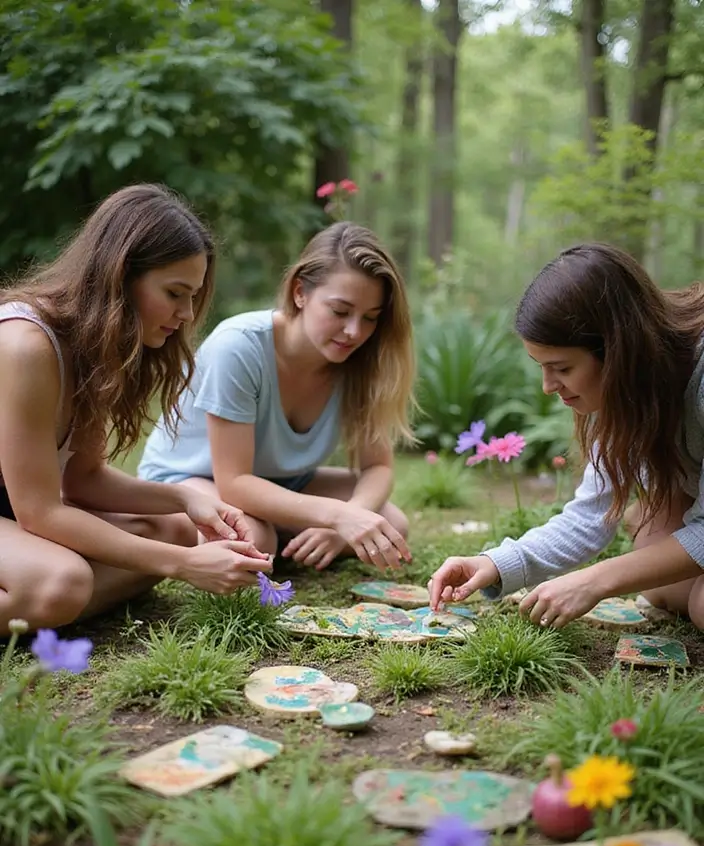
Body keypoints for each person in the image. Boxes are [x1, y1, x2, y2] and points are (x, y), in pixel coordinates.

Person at [0, 183, 272, 636]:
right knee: (62, 581)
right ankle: (52, 602)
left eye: (193, 297)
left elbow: (84, 480)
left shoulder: (94, 348)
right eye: (174, 293)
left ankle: (45, 610)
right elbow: (40, 512)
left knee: (170, 529)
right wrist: (184, 566)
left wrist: (187, 500)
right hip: (23, 512)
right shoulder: (25, 346)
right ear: (120, 277)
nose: (186, 313)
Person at [428, 242, 704, 629]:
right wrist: (494, 564)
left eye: (561, 367)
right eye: (541, 367)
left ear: (619, 351)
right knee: (654, 552)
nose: (547, 386)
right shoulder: (626, 394)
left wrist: (595, 581)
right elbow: (589, 516)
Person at [138, 221, 414, 571]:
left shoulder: (361, 361)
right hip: (193, 480)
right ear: (300, 292)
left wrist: (350, 518)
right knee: (254, 542)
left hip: (279, 483)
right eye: (340, 311)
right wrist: (337, 518)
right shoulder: (238, 346)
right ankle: (261, 537)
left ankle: (289, 537)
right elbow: (234, 483)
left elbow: (378, 466)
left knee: (392, 524)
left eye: (371, 318)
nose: (354, 331)